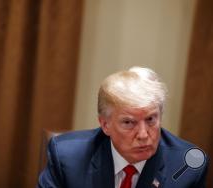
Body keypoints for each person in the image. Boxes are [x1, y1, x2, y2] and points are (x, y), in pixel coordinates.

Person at [38, 66, 208, 188]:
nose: (143, 134)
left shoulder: (186, 167)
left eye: (150, 120)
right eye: (128, 122)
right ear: (105, 124)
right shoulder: (68, 157)